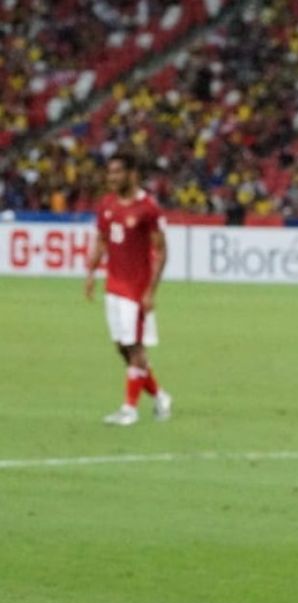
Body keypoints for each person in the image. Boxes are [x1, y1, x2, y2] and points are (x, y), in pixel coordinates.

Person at [84, 148, 172, 425]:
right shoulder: (107, 205)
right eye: (109, 172)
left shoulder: (148, 208)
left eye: (117, 172)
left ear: (132, 174)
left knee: (135, 347)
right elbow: (101, 239)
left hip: (136, 289)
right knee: (122, 348)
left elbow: (162, 251)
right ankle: (159, 397)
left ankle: (129, 409)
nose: (111, 177)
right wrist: (91, 272)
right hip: (114, 285)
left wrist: (150, 292)